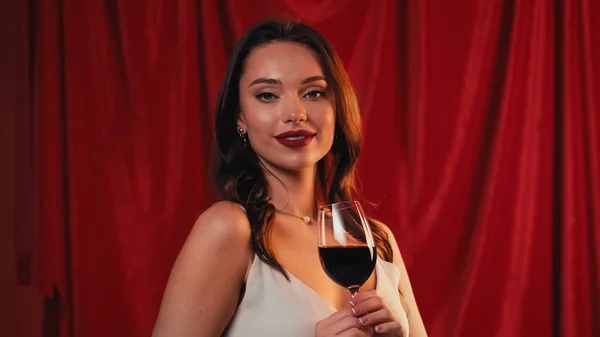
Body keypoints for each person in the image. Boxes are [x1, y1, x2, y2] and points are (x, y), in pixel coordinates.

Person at [152, 18, 427, 337]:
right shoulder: (229, 230)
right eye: (268, 95)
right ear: (240, 118)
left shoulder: (378, 242)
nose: (295, 113)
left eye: (313, 93)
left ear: (336, 107)